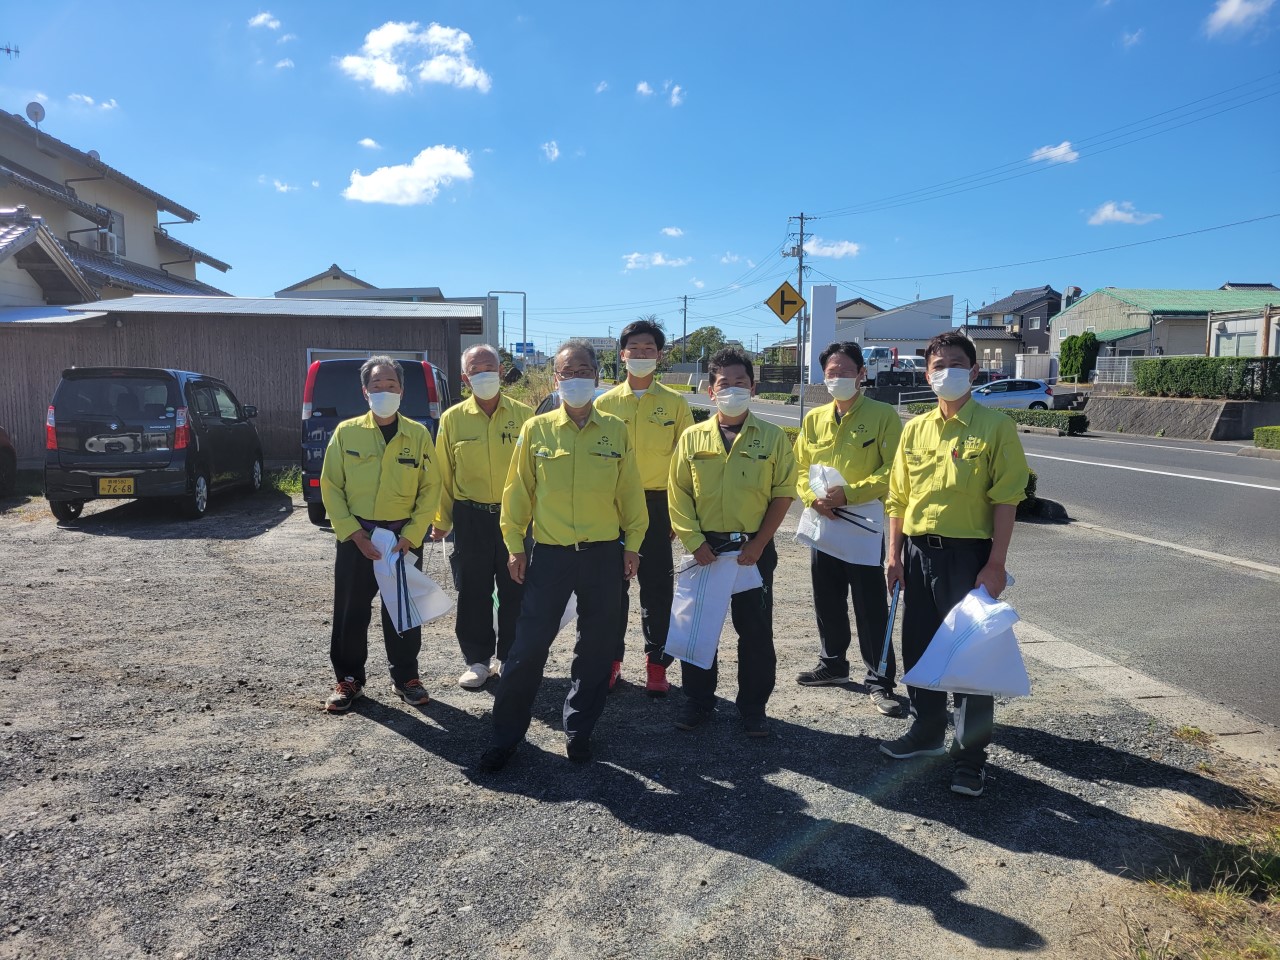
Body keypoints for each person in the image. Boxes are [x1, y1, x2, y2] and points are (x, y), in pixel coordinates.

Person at [478, 340, 647, 771]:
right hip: (550, 557)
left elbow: (629, 494)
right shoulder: (537, 430)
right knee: (527, 648)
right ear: (556, 380)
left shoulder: (615, 430)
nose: (576, 379)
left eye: (584, 371)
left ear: (597, 375)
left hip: (604, 556)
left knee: (595, 649)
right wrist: (515, 545)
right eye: (567, 372)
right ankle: (506, 737)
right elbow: (517, 494)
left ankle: (579, 732)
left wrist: (633, 546)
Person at [881, 331, 1030, 798]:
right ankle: (925, 733)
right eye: (939, 364)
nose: (947, 371)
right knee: (919, 648)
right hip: (917, 552)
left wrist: (996, 564)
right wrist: (892, 554)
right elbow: (898, 497)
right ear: (927, 374)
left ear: (975, 371)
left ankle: (970, 758)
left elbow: (1007, 499)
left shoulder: (995, 427)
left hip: (969, 556)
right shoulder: (915, 428)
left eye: (957, 363)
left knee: (971, 658)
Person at [668, 347, 796, 737]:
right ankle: (697, 701)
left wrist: (758, 544)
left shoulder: (772, 437)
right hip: (705, 551)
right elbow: (678, 493)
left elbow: (783, 494)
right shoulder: (692, 437)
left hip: (751, 553)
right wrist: (693, 542)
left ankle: (753, 707)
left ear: (753, 387)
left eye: (741, 383)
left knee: (755, 633)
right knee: (698, 627)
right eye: (725, 383)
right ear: (710, 390)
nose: (733, 390)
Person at [320, 356, 442, 713]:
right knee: (350, 611)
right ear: (365, 392)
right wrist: (354, 534)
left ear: (402, 392)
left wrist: (413, 534)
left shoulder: (418, 435)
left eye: (391, 386)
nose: (384, 391)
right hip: (358, 538)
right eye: (377, 386)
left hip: (402, 539)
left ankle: (407, 678)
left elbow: (430, 489)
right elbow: (331, 487)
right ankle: (349, 679)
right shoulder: (347, 433)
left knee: (403, 611)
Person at [793, 342, 905, 716]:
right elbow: (799, 469)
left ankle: (880, 679)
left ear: (861, 374)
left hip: (863, 523)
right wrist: (813, 499)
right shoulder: (814, 418)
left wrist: (850, 493)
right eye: (830, 372)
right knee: (826, 597)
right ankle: (833, 664)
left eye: (845, 371)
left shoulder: (882, 414)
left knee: (870, 604)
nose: (837, 377)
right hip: (823, 520)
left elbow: (892, 470)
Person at [595, 318, 694, 696]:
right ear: (622, 355)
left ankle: (657, 665)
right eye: (633, 349)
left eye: (648, 350)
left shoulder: (675, 403)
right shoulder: (603, 403)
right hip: (613, 505)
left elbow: (686, 464)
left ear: (659, 356)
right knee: (612, 589)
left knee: (656, 590)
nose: (640, 355)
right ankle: (611, 662)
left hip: (657, 504)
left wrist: (676, 510)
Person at [430, 344, 534, 690]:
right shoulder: (452, 419)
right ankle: (477, 660)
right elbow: (443, 474)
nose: (484, 374)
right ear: (465, 378)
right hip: (469, 515)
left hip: (515, 517)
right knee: (473, 590)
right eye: (476, 370)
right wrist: (441, 519)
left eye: (490, 367)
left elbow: (536, 473)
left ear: (502, 372)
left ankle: (509, 657)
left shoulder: (525, 417)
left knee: (514, 588)